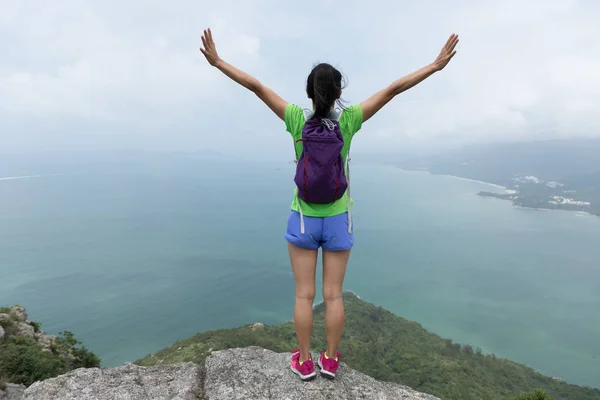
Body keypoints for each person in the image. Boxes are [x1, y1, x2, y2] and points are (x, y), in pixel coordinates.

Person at [200, 28, 459, 381]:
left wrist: (217, 62)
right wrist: (434, 66)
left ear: (309, 93)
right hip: (338, 219)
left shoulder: (295, 118)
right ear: (339, 93)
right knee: (333, 295)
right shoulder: (349, 121)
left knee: (304, 295)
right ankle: (330, 360)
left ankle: (304, 361)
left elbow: (256, 86)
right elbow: (393, 89)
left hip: (303, 219)